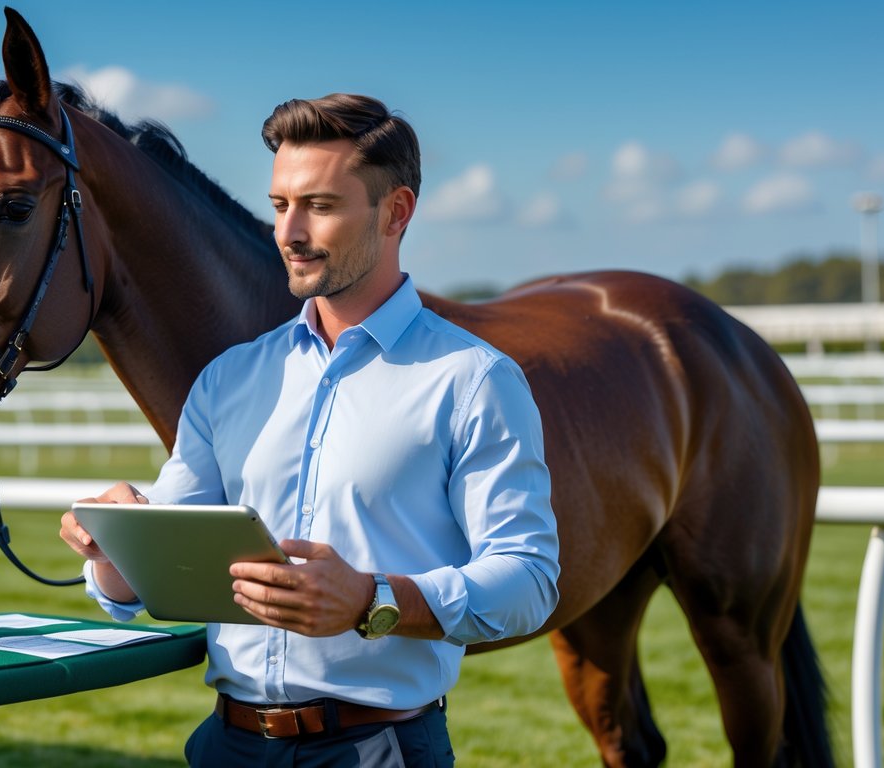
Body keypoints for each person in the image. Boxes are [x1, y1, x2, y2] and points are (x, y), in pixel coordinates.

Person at [62, 93, 560, 767]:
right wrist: (115, 545)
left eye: (319, 206)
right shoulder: (227, 380)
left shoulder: (472, 379)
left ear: (396, 212)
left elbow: (528, 582)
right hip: (225, 746)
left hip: (378, 749)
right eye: (278, 205)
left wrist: (372, 599)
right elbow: (167, 580)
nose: (288, 232)